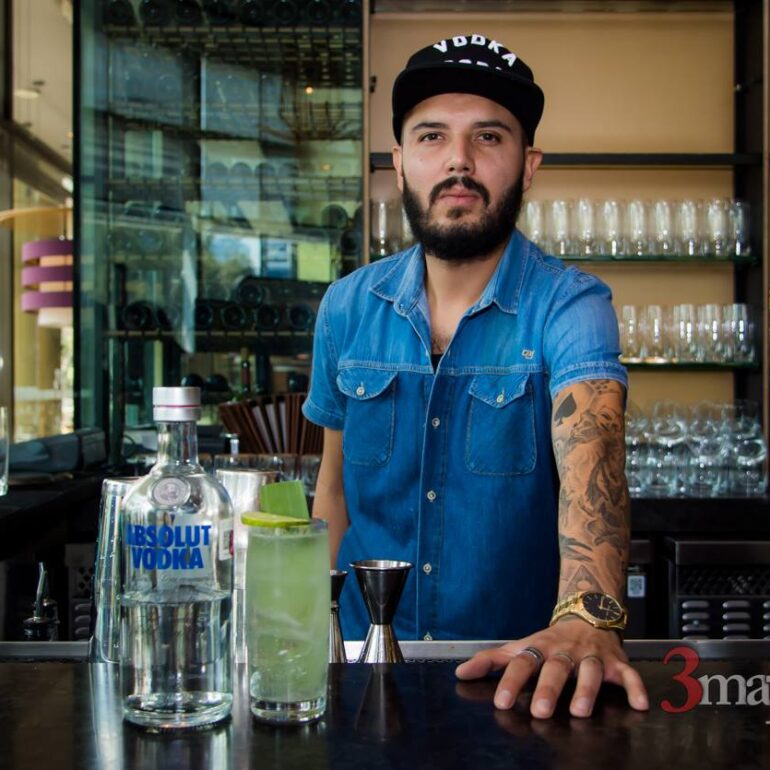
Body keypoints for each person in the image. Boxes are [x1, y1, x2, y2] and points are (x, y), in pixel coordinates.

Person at [302, 33, 649, 719]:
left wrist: (587, 615)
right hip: (360, 674)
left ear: (529, 165)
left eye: (488, 137)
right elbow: (333, 491)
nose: (458, 160)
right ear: (401, 163)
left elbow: (596, 464)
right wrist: (304, 630)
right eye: (432, 136)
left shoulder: (571, 305)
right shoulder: (346, 306)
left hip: (519, 681)